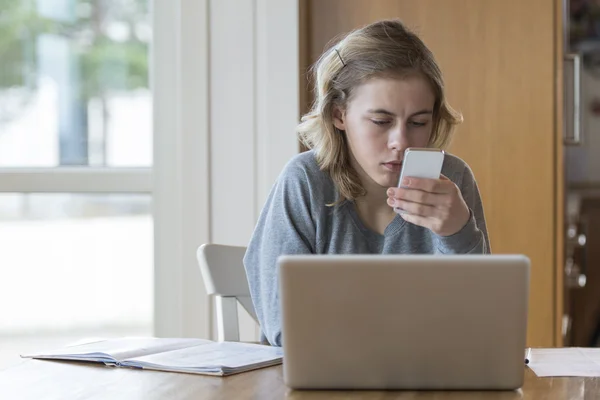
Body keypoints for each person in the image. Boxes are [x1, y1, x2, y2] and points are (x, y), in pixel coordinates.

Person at [243, 19, 490, 347]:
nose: (400, 142)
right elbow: (285, 330)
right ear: (339, 114)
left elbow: (482, 323)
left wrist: (459, 233)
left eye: (418, 122)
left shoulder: (453, 180)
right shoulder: (304, 183)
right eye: (381, 121)